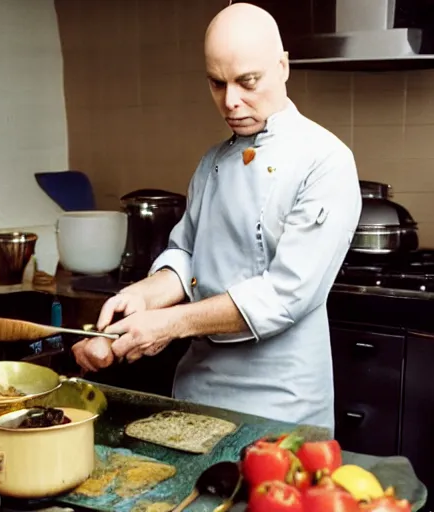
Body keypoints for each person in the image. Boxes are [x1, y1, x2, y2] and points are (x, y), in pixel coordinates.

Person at [72, 2, 362, 433]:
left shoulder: (325, 161)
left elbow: (285, 295)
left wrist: (170, 323)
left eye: (247, 81)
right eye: (216, 83)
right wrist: (145, 297)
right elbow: (187, 254)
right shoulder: (213, 162)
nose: (230, 101)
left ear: (282, 66)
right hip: (197, 394)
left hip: (281, 404)